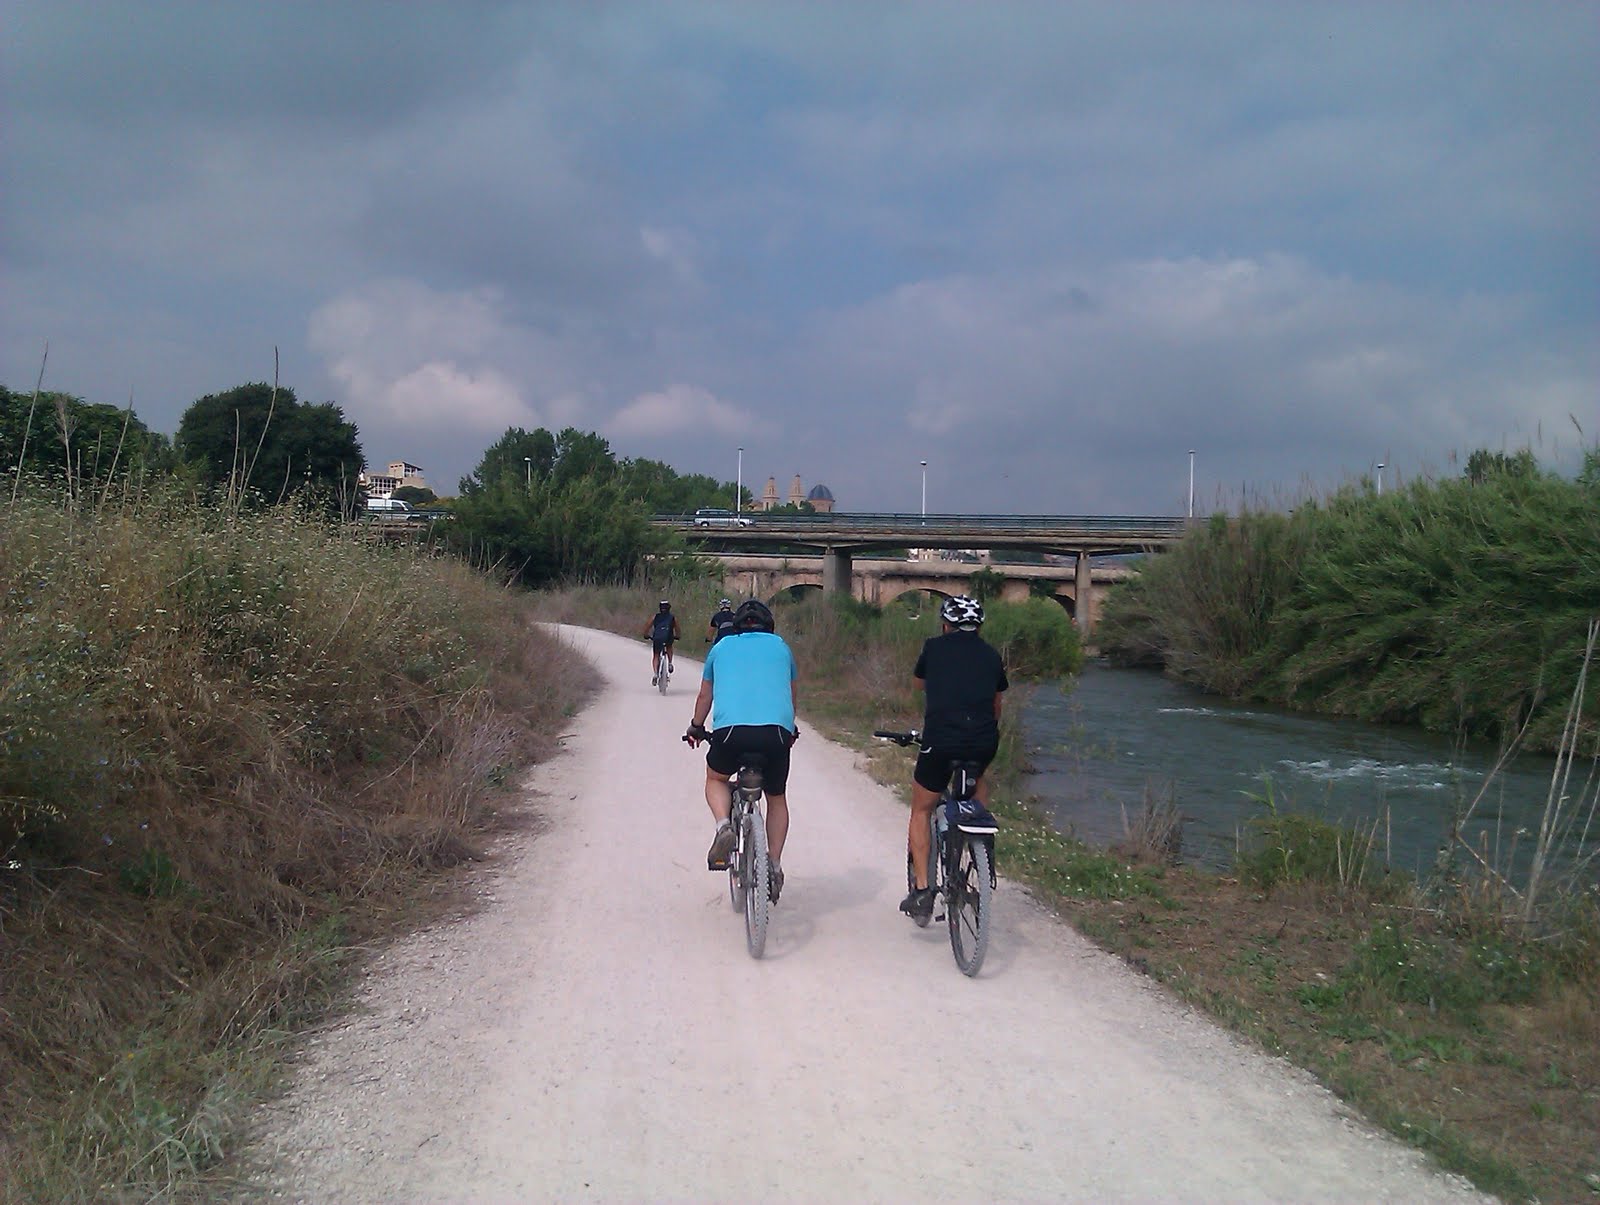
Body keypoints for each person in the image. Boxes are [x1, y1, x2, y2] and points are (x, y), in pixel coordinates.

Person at [900, 594, 1008, 920]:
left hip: (941, 741)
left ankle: (922, 890)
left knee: (922, 809)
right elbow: (996, 705)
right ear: (979, 627)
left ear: (946, 625)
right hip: (983, 741)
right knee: (979, 780)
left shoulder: (934, 648)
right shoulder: (992, 655)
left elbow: (918, 684)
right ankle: (979, 842)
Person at [684, 599, 799, 903]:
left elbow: (705, 695)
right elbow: (790, 696)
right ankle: (774, 865)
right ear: (769, 626)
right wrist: (789, 730)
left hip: (731, 733)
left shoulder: (721, 647)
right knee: (776, 797)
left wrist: (696, 727)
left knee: (716, 779)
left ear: (735, 626)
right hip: (776, 733)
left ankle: (724, 826)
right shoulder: (782, 648)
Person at [643, 600, 680, 686]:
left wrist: (646, 635)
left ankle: (656, 673)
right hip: (668, 637)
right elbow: (677, 628)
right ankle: (670, 663)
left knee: (656, 655)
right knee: (669, 647)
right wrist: (678, 636)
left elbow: (647, 626)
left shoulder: (655, 617)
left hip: (657, 638)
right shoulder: (672, 618)